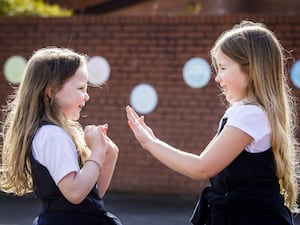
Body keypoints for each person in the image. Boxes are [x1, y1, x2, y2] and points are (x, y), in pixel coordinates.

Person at [126, 20, 299, 225]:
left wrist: (150, 143)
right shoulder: (242, 111)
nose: (217, 78)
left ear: (251, 69)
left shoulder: (251, 115)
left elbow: (201, 167)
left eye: (223, 68)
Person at [0, 47, 122, 225]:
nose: (87, 96)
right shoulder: (52, 135)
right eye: (81, 88)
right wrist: (95, 153)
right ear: (52, 91)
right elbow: (75, 193)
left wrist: (109, 154)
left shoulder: (56, 133)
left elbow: (89, 196)